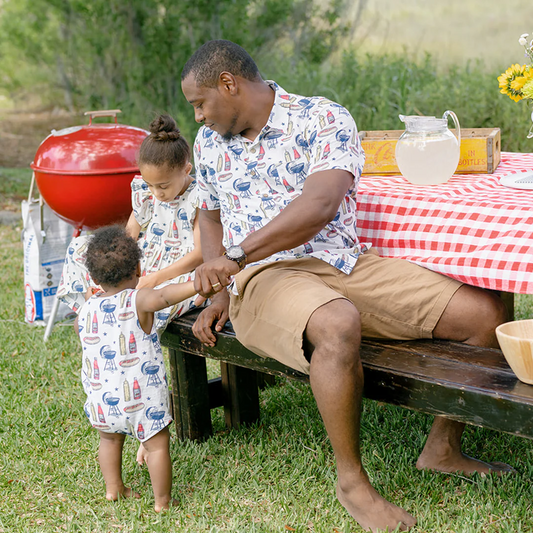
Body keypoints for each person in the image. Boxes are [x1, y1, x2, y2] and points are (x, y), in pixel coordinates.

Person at [180, 40, 511, 532]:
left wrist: (233, 256)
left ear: (229, 84)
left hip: (344, 263)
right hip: (265, 277)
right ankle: (352, 481)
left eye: (201, 103)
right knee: (337, 322)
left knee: (487, 311)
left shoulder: (322, 118)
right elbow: (208, 214)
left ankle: (442, 447)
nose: (200, 116)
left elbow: (319, 206)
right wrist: (221, 279)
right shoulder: (209, 144)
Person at [77, 224, 200, 511]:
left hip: (102, 401)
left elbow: (83, 334)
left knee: (109, 441)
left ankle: (114, 488)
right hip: (142, 400)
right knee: (157, 446)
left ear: (94, 277)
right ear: (139, 269)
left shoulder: (85, 311)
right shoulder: (138, 300)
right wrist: (197, 285)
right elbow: (166, 297)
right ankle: (163, 501)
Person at [57, 114, 202, 333]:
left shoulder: (199, 197)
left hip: (177, 269)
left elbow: (200, 253)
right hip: (144, 262)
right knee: (80, 248)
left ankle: (119, 314)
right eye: (150, 185)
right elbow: (128, 237)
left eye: (163, 186)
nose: (156, 193)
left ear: (186, 170)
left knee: (176, 291)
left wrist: (154, 279)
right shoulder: (147, 193)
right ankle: (98, 303)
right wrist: (116, 266)